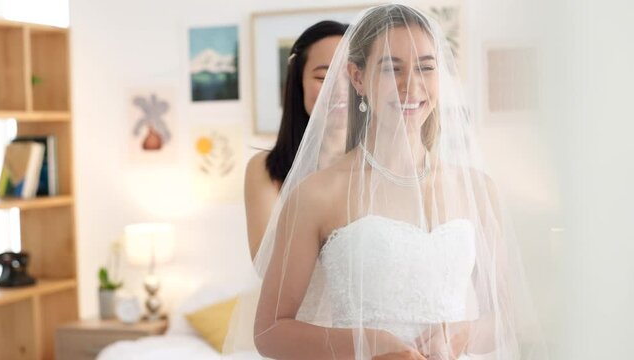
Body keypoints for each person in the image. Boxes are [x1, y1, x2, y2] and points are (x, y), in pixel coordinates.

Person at [227, 4, 547, 360]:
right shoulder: (316, 194)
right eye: (391, 69)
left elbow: (509, 316)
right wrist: (367, 345)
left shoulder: (477, 188)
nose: (411, 85)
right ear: (358, 78)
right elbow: (270, 331)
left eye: (426, 67)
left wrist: (461, 336)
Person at [245, 20, 349, 260]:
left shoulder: (382, 164)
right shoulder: (263, 170)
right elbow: (266, 263)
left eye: (352, 75)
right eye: (323, 77)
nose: (340, 89)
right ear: (298, 83)